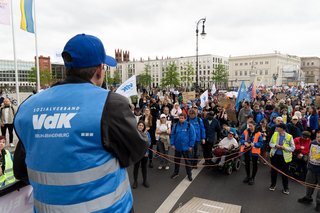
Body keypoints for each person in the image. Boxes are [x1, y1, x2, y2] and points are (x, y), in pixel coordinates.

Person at [13, 34, 148, 213]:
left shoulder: (28, 107)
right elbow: (137, 150)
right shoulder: (110, 104)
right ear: (99, 70)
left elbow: (20, 170)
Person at [269, 123, 295, 195]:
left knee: (285, 173)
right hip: (275, 156)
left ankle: (285, 187)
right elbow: (270, 143)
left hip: (285, 158)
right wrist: (275, 145)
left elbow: (293, 148)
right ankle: (273, 184)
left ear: (283, 129)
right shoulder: (275, 134)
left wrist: (285, 148)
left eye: (278, 127)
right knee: (274, 171)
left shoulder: (289, 136)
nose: (277, 128)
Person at [298, 130, 320, 211]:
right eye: (317, 137)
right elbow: (309, 154)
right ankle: (308, 197)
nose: (319, 138)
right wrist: (304, 157)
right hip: (311, 168)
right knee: (309, 184)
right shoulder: (313, 143)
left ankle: (319, 203)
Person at [170, 113, 196, 181]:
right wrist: (172, 144)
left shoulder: (189, 125)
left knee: (188, 162)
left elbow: (193, 136)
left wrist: (191, 145)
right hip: (177, 147)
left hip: (186, 148)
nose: (181, 119)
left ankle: (189, 174)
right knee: (177, 161)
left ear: (185, 118)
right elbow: (172, 135)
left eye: (182, 118)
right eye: (180, 118)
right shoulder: (175, 126)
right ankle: (176, 172)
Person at [240, 120, 263, 185]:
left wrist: (255, 144)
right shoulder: (245, 131)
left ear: (254, 125)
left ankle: (252, 177)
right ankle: (248, 176)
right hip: (246, 150)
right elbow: (241, 138)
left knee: (254, 164)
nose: (249, 127)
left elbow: (261, 144)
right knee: (247, 163)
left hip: (254, 152)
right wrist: (244, 142)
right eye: (248, 126)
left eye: (251, 126)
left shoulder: (258, 133)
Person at [132, 121, 151, 189]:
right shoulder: (134, 133)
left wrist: (147, 152)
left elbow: (149, 143)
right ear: (137, 126)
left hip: (145, 154)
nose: (141, 126)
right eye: (139, 125)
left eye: (142, 126)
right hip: (137, 154)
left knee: (144, 168)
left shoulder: (147, 133)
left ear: (144, 127)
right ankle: (135, 181)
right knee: (136, 168)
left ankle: (145, 181)